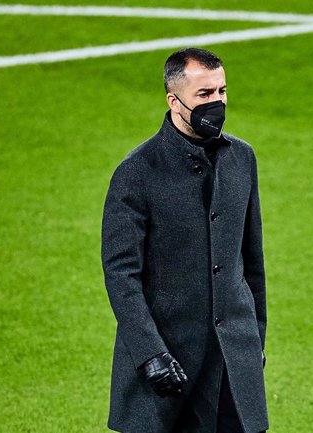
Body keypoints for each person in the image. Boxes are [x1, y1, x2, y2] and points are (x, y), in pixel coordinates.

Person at [101, 47, 268, 433]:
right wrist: (149, 355)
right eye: (204, 95)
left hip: (232, 362)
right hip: (167, 366)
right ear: (174, 101)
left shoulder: (242, 159)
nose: (218, 103)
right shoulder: (137, 173)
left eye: (222, 91)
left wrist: (255, 337)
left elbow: (252, 260)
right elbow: (121, 274)